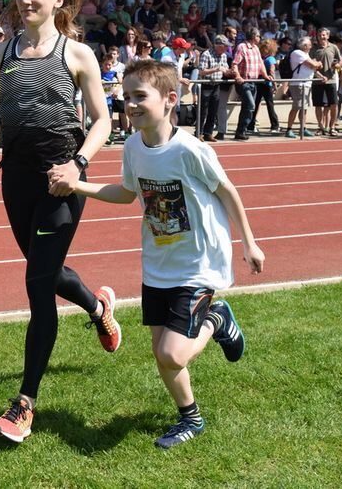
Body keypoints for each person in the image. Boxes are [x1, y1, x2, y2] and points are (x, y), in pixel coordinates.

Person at [0, 0, 121, 443]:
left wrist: (78, 164)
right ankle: (98, 306)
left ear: (58, 0)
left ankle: (24, 403)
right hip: (14, 178)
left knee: (38, 284)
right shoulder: (1, 54)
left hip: (63, 181)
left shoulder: (78, 54)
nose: (25, 0)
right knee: (48, 270)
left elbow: (102, 121)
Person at [64, 58, 264, 449]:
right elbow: (127, 193)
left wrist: (249, 242)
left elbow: (228, 192)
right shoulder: (134, 147)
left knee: (172, 353)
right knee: (161, 353)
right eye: (126, 97)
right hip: (158, 263)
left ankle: (216, 321)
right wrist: (78, 186)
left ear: (171, 99)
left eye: (140, 96)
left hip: (197, 263)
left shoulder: (191, 150)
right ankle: (190, 418)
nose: (131, 104)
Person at [231, 28, 271, 140]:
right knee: (250, 105)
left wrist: (265, 75)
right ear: (253, 36)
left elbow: (261, 64)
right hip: (244, 82)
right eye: (258, 36)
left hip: (253, 82)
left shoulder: (256, 48)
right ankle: (242, 130)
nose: (260, 38)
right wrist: (238, 76)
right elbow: (235, 64)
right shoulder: (242, 47)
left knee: (247, 107)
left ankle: (240, 132)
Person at [283, 37, 322, 139]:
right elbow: (313, 64)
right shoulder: (297, 53)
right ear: (305, 46)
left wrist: (321, 76)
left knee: (304, 108)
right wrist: (317, 63)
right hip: (298, 84)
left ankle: (302, 128)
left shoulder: (306, 54)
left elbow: (313, 68)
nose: (311, 46)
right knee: (296, 107)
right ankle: (289, 129)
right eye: (310, 44)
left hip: (307, 84)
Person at [309, 28, 342, 135]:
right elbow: (310, 65)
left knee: (334, 104)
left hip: (331, 80)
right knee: (318, 105)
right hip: (317, 81)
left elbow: (340, 60)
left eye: (323, 35)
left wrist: (338, 65)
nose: (321, 37)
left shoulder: (333, 47)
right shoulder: (313, 49)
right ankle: (321, 127)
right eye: (319, 35)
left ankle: (332, 127)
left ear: (328, 36)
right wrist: (319, 75)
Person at [249, 38, 279, 134]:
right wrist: (275, 85)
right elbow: (272, 72)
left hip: (258, 83)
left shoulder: (260, 58)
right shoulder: (271, 59)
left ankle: (251, 125)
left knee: (255, 104)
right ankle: (275, 125)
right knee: (270, 105)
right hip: (267, 84)